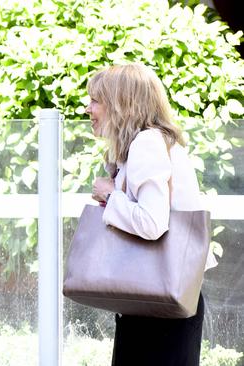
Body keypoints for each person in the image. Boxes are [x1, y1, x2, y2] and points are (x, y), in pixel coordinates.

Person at [87, 63, 217, 365]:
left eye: (96, 100)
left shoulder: (147, 143)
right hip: (162, 299)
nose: (88, 108)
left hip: (158, 308)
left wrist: (109, 194)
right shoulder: (152, 143)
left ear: (121, 103)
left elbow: (151, 222)